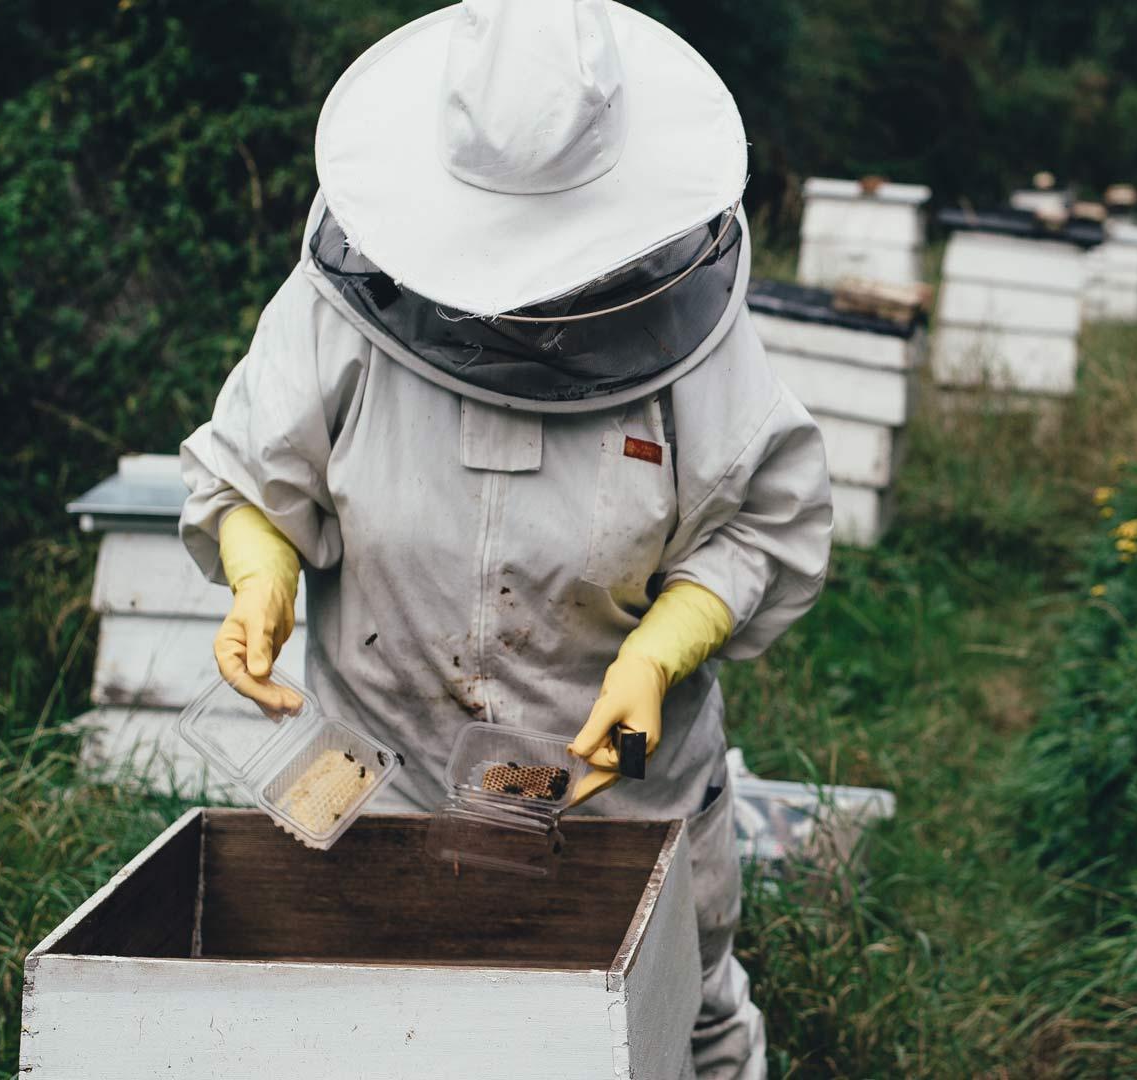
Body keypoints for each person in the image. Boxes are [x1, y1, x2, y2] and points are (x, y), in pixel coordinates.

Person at [176, 2, 832, 1076]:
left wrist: (658, 652)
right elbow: (254, 471)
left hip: (615, 792)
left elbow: (757, 523)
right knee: (389, 1030)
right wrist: (259, 574)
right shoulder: (339, 307)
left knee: (679, 1022)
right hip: (371, 775)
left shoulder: (698, 343)